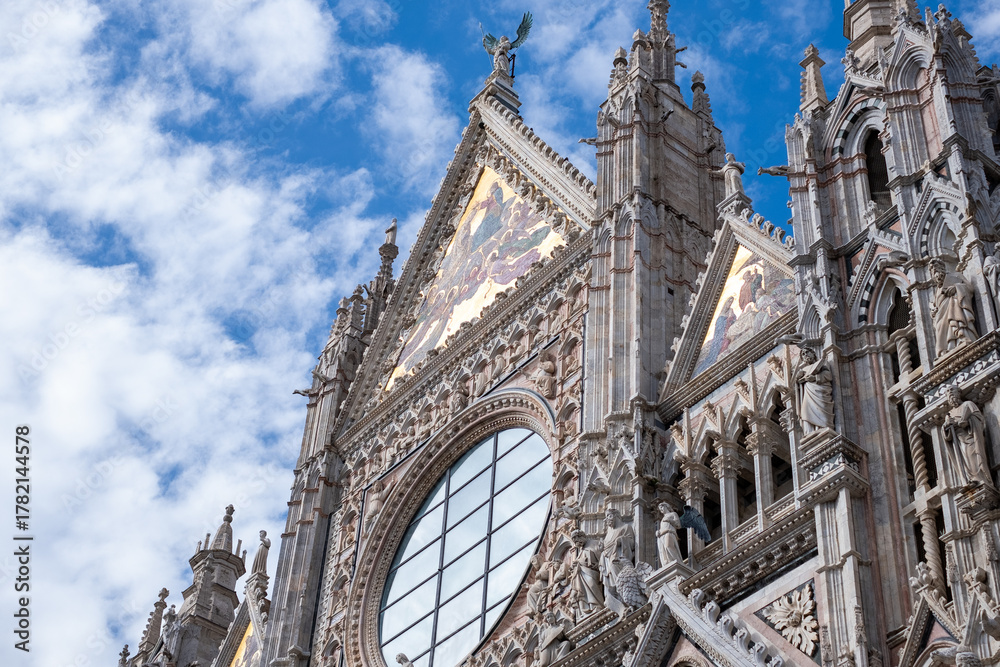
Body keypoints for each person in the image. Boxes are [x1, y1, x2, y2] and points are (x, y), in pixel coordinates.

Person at [942, 386, 992, 488]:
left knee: (972, 459)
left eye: (952, 390)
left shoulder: (968, 404)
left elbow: (979, 419)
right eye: (947, 392)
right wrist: (946, 426)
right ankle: (967, 481)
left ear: (958, 392)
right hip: (959, 443)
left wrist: (968, 421)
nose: (950, 393)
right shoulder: (949, 414)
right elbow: (946, 435)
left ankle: (979, 479)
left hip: (971, 437)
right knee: (964, 463)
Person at [930, 259, 978, 357]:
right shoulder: (937, 291)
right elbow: (935, 305)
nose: (936, 273)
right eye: (933, 272)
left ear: (943, 268)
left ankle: (962, 338)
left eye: (937, 269)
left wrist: (956, 288)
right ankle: (946, 350)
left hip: (954, 306)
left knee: (955, 315)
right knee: (940, 329)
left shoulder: (956, 276)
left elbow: (970, 288)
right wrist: (933, 312)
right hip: (941, 315)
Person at [600, 508, 635, 602]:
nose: (607, 519)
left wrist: (622, 540)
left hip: (618, 557)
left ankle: (622, 593)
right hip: (607, 560)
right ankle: (613, 597)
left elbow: (632, 544)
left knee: (614, 566)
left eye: (610, 516)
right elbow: (606, 548)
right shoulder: (608, 533)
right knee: (609, 577)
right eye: (606, 517)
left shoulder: (626, 527)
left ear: (617, 516)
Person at [795, 347, 834, 433]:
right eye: (803, 354)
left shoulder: (822, 363)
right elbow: (798, 387)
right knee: (805, 412)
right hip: (808, 394)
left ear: (813, 353)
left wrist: (816, 377)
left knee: (822, 408)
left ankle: (822, 428)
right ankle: (810, 432)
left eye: (807, 352)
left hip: (820, 391)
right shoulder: (803, 370)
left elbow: (828, 375)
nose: (806, 355)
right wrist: (797, 379)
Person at [569, 529, 604, 615]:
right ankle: (587, 609)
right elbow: (580, 561)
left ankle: (597, 605)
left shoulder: (595, 543)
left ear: (582, 537)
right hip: (582, 575)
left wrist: (598, 565)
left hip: (594, 573)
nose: (576, 543)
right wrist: (573, 566)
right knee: (580, 590)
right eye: (574, 541)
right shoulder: (581, 550)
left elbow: (603, 557)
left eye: (577, 540)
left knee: (591, 584)